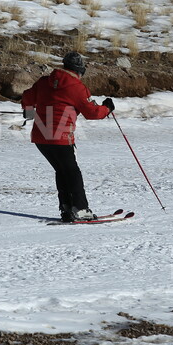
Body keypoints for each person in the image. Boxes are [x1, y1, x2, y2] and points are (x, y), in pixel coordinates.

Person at [21, 52, 115, 222]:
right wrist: (107, 109)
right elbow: (92, 112)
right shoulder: (76, 88)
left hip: (41, 136)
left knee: (63, 170)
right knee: (72, 172)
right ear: (79, 71)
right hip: (60, 137)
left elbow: (27, 96)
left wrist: (28, 113)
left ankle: (66, 208)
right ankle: (80, 209)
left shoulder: (44, 82)